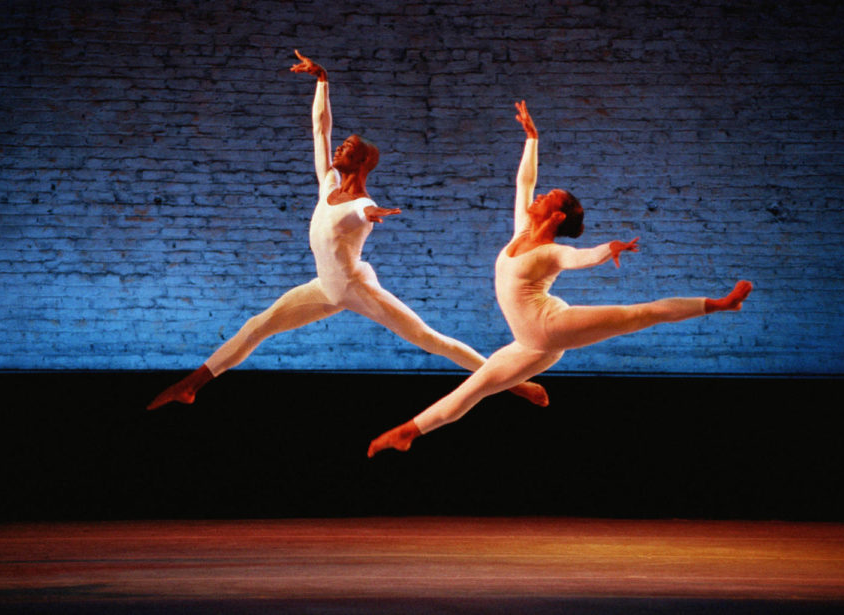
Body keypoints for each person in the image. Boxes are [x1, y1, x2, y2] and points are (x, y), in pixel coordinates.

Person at [147, 54, 547, 410]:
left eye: (348, 148)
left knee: (430, 339)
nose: (338, 149)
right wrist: (322, 81)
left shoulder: (358, 203)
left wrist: (374, 212)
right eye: (341, 145)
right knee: (257, 325)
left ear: (363, 161)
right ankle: (192, 385)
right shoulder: (328, 184)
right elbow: (320, 130)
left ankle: (516, 385)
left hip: (355, 288)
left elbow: (362, 209)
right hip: (325, 287)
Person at [367, 101, 752, 457]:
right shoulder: (522, 231)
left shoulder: (551, 252)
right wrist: (532, 139)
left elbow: (577, 257)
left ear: (556, 218)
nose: (538, 198)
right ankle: (409, 433)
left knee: (638, 314)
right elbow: (524, 184)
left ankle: (721, 303)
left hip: (551, 327)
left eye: (548, 198)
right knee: (475, 386)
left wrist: (608, 249)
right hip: (529, 343)